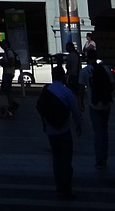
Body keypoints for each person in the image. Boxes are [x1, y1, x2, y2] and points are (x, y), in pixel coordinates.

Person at [37, 63, 81, 199]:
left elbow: (40, 106)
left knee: (56, 158)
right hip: (64, 129)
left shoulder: (47, 90)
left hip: (50, 130)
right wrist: (78, 125)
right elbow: (75, 111)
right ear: (63, 77)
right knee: (66, 159)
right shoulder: (66, 91)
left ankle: (59, 185)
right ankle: (67, 188)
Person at [79, 49, 113, 168]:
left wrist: (80, 103)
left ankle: (99, 159)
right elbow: (112, 85)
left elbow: (81, 89)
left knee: (97, 132)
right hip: (106, 103)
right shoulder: (106, 69)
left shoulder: (84, 71)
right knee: (104, 131)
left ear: (87, 58)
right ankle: (105, 156)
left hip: (94, 105)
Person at [0, 39, 19, 116]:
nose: (2, 46)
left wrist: (3, 63)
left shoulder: (9, 52)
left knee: (7, 90)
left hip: (8, 72)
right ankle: (12, 103)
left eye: (2, 45)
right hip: (8, 72)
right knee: (6, 89)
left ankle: (12, 104)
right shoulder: (7, 52)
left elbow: (11, 62)